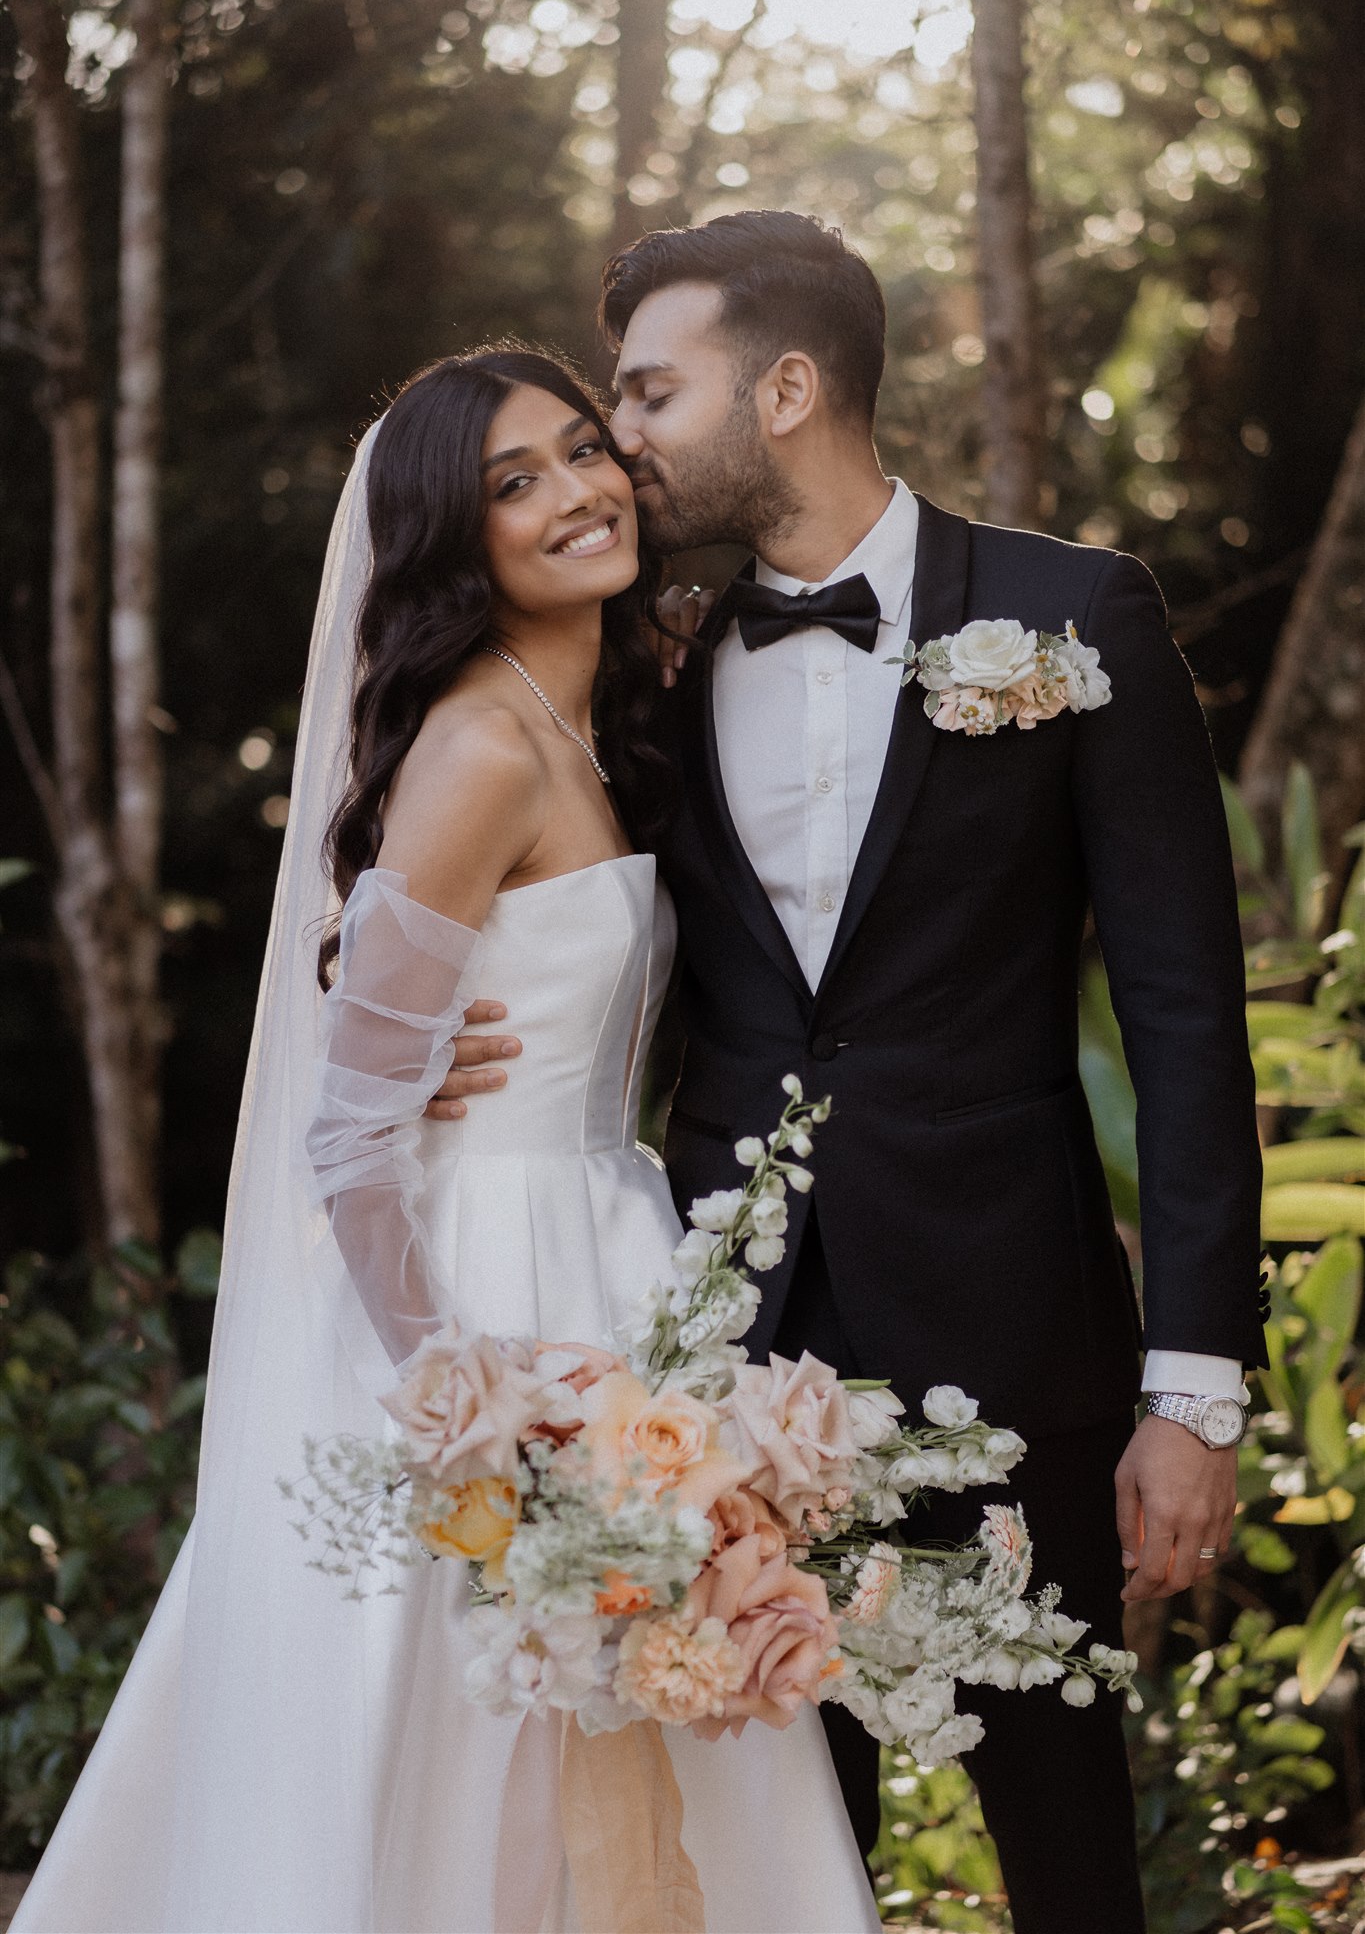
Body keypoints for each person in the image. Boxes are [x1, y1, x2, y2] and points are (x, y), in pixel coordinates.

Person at [432, 215, 1270, 1934]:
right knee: (774, 1854)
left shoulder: (1071, 614)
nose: (624, 439)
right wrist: (423, 1026)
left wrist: (1190, 1395)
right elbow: (483, 868)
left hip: (1012, 1335)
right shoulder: (645, 663)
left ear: (788, 387)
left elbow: (1187, 1025)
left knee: (1062, 1842)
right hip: (722, 1370)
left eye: (652, 393)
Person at [12, 347, 879, 1934]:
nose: (574, 494)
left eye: (577, 451)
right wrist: (466, 1411)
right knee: (474, 1703)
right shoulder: (481, 751)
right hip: (476, 1301)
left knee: (624, 1687)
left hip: (612, 1265)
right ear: (446, 541)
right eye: (512, 484)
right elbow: (346, 1144)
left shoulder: (591, 714)